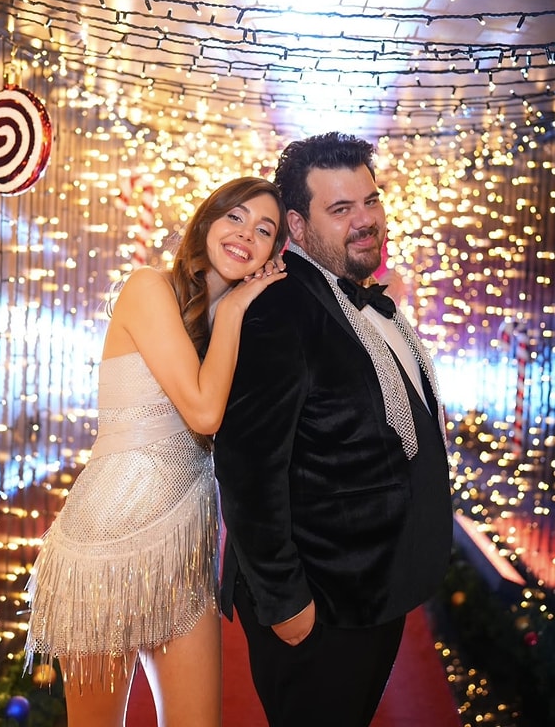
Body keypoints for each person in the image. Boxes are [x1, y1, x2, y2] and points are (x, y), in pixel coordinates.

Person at [23, 176, 288, 727]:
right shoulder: (149, 287)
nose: (247, 234)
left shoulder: (235, 324)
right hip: (105, 545)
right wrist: (235, 310)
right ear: (207, 221)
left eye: (265, 230)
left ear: (273, 254)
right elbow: (204, 414)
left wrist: (240, 313)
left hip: (186, 552)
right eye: (235, 216)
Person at [214, 133, 454, 727]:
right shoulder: (279, 307)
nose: (365, 220)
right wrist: (286, 602)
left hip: (373, 589)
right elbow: (247, 469)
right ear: (297, 225)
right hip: (321, 604)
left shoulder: (362, 300)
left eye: (370, 201)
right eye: (341, 209)